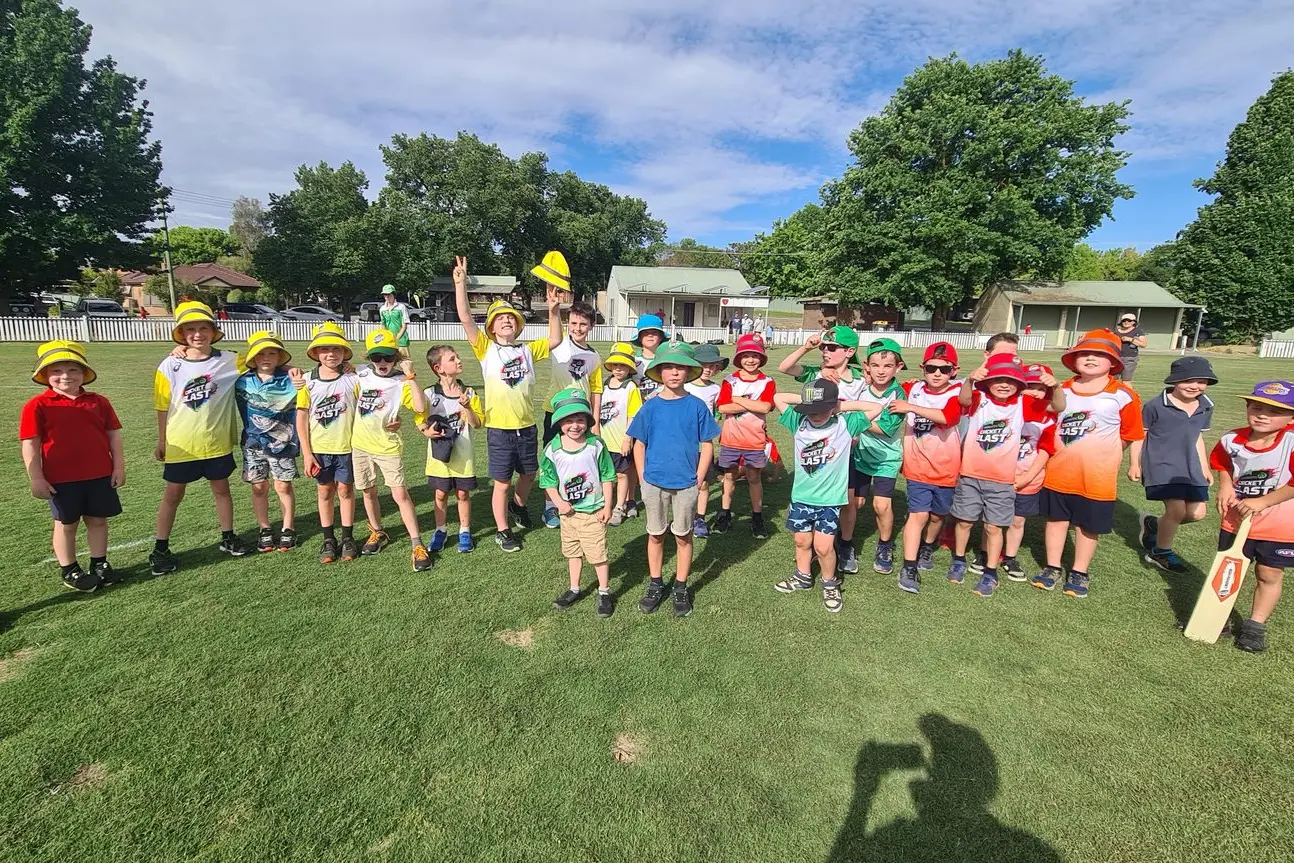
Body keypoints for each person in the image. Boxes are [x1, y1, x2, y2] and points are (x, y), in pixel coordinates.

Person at [453, 255, 554, 553]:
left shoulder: (528, 350)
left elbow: (556, 339)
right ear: (492, 327)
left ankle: (518, 506)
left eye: (511, 317)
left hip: (526, 426)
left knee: (529, 475)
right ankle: (502, 531)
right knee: (501, 482)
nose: (507, 320)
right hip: (499, 428)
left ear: (519, 325)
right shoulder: (487, 349)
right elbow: (465, 319)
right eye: (500, 318)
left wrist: (553, 309)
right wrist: (461, 284)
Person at [1035, 330, 1145, 597]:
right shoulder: (1062, 390)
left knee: (1088, 526)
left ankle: (1080, 571)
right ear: (1073, 360)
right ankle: (1052, 566)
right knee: (1056, 520)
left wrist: (1117, 457)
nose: (1091, 358)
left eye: (1099, 354)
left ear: (1114, 363)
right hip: (1059, 470)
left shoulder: (1122, 395)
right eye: (1084, 353)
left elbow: (1132, 434)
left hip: (1097, 476)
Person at [149, 301, 251, 575]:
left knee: (222, 490)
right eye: (190, 329)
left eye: (203, 328)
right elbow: (162, 405)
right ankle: (160, 548)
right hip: (181, 443)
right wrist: (162, 440)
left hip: (216, 442)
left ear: (213, 330)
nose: (197, 334)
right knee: (173, 494)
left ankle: (228, 536)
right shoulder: (170, 364)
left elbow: (267, 359)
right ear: (181, 334)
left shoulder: (230, 359)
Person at [949, 355, 1063, 597]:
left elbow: (1058, 407)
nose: (1004, 384)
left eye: (1010, 380)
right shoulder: (980, 399)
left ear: (1019, 384)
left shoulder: (1022, 404)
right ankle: (959, 559)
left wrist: (1056, 387)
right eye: (998, 379)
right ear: (988, 381)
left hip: (1001, 480)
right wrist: (970, 379)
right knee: (964, 521)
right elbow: (963, 399)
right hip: (970, 474)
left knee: (993, 527)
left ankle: (991, 572)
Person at [771, 379, 884, 612]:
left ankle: (829, 582)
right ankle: (802, 576)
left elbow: (876, 408)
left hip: (830, 501)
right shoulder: (798, 421)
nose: (815, 415)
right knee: (801, 541)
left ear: (833, 407)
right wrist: (807, 402)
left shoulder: (846, 424)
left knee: (823, 547)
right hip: (802, 497)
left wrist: (838, 406)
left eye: (821, 410)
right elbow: (778, 398)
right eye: (811, 410)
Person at [20, 341, 125, 592]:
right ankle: (69, 570)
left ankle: (100, 563)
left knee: (98, 520)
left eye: (72, 370)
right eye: (56, 371)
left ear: (83, 373)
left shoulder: (98, 402)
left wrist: (118, 467)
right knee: (66, 524)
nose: (65, 376)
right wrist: (36, 478)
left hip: (99, 474)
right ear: (45, 375)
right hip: (60, 479)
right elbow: (30, 444)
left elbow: (113, 436)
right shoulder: (37, 405)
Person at [626, 343, 721, 618]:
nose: (675, 372)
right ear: (659, 371)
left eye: (680, 367)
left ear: (689, 370)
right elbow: (638, 444)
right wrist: (643, 478)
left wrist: (699, 478)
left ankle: (680, 585)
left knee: (683, 535)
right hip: (654, 482)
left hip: (686, 484)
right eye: (668, 367)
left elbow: (707, 445)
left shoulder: (697, 406)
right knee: (655, 534)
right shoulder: (650, 407)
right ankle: (656, 582)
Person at [779, 326, 872, 572]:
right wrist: (806, 348)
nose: (826, 352)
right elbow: (785, 368)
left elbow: (870, 408)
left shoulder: (859, 379)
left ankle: (845, 544)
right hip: (818, 446)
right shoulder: (813, 374)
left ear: (849, 351)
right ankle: (813, 549)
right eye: (824, 347)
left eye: (832, 347)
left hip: (846, 449)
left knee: (849, 501)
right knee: (820, 496)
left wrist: (836, 407)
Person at [1210, 381, 1294, 652]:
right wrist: (1224, 485)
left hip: (1279, 525)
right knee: (1229, 569)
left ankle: (1255, 626)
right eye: (1257, 407)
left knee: (1268, 573)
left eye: (1274, 411)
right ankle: (1217, 616)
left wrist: (1263, 502)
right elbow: (1222, 462)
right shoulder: (1232, 439)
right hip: (1236, 521)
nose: (1262, 414)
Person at [351, 328, 431, 570]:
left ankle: (417, 544)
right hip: (360, 445)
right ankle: (377, 531)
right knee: (368, 491)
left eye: (388, 357)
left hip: (387, 447)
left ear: (396, 357)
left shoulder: (401, 382)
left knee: (399, 494)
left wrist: (411, 376)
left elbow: (419, 406)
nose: (382, 362)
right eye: (377, 357)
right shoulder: (360, 374)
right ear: (369, 359)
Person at [888, 342, 964, 594]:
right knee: (918, 515)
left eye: (944, 369)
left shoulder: (957, 392)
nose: (937, 373)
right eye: (931, 368)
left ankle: (928, 546)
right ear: (923, 368)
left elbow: (948, 418)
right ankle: (909, 567)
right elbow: (882, 382)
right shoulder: (912, 388)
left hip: (946, 468)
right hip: (916, 467)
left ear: (954, 370)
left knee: (937, 516)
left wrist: (910, 407)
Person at [1135, 356, 1218, 573]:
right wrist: (1136, 464)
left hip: (1190, 466)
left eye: (1201, 381)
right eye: (1187, 380)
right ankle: (1160, 552)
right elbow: (1140, 435)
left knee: (1197, 513)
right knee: (1176, 510)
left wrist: (1204, 466)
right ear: (1174, 380)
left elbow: (1197, 436)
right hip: (1161, 464)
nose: (1194, 386)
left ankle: (1153, 525)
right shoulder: (1155, 405)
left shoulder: (1206, 406)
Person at [541, 388, 617, 618]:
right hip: (568, 514)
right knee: (572, 552)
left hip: (593, 511)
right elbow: (548, 481)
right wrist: (558, 503)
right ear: (559, 423)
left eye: (580, 420)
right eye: (569, 420)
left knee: (597, 555)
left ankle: (604, 591)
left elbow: (607, 476)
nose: (575, 426)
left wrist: (607, 506)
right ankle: (574, 588)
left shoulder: (596, 445)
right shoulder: (553, 449)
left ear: (588, 421)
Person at [297, 322, 361, 564]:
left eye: (336, 349)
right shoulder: (306, 381)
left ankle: (347, 537)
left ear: (344, 352)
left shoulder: (353, 379)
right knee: (324, 491)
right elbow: (301, 419)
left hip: (348, 446)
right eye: (324, 349)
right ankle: (328, 538)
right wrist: (307, 452)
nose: (330, 354)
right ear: (315, 353)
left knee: (345, 490)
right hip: (320, 449)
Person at [235, 332, 303, 553]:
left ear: (280, 356)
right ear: (252, 357)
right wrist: (181, 351)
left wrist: (290, 368)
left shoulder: (292, 380)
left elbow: (326, 373)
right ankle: (264, 529)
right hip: (253, 443)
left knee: (283, 485)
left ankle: (287, 528)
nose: (266, 357)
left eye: (272, 353)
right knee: (259, 487)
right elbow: (209, 363)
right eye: (261, 353)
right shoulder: (241, 379)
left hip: (282, 443)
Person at [542, 287, 603, 529]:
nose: (578, 328)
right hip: (555, 412)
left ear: (591, 326)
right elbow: (554, 326)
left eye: (583, 324)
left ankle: (582, 499)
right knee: (553, 459)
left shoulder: (595, 356)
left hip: (581, 416)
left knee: (580, 459)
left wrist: (595, 421)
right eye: (574, 323)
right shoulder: (558, 344)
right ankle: (550, 506)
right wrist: (553, 309)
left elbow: (596, 390)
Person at [416, 345, 484, 554]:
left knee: (463, 494)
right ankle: (440, 530)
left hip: (463, 455)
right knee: (441, 494)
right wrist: (425, 431)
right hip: (439, 457)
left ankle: (465, 531)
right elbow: (420, 419)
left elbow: (477, 424)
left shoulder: (469, 392)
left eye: (457, 357)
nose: (459, 361)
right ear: (439, 368)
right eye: (453, 359)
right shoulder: (429, 393)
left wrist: (468, 407)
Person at [1000, 363, 1060, 583]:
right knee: (993, 519)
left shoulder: (1048, 418)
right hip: (1000, 474)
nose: (1034, 392)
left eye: (1040, 388)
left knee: (1017, 520)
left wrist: (1026, 478)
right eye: (1029, 385)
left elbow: (1045, 451)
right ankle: (986, 553)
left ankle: (1010, 556)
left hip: (1028, 477)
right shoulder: (1008, 410)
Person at [714, 334, 776, 538]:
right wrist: (751, 404)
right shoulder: (730, 380)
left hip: (754, 440)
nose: (750, 360)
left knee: (753, 477)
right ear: (739, 357)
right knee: (730, 475)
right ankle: (724, 513)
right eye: (746, 355)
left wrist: (737, 399)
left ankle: (757, 517)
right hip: (731, 439)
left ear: (762, 357)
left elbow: (765, 406)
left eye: (755, 355)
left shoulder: (767, 381)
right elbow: (723, 407)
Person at [685, 344, 727, 536]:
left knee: (703, 483)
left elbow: (717, 412)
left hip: (703, 443)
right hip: (682, 443)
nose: (709, 369)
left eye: (713, 365)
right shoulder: (685, 385)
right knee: (682, 482)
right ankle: (683, 516)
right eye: (704, 364)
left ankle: (699, 518)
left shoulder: (715, 389)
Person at [600, 343, 644, 526]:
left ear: (630, 368)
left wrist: (627, 438)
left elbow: (634, 414)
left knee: (622, 474)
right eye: (615, 365)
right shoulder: (604, 384)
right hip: (603, 440)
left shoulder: (631, 387)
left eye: (623, 365)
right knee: (605, 475)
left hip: (620, 440)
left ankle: (620, 506)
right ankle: (605, 504)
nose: (619, 369)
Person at [632, 314, 667, 401]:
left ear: (661, 337)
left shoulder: (666, 360)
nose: (650, 335)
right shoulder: (634, 361)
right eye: (645, 332)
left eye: (654, 332)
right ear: (639, 337)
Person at [378, 284, 413, 360]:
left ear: (394, 294)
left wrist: (397, 338)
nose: (386, 297)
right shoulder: (382, 309)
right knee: (389, 362)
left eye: (388, 294)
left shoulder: (401, 307)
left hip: (402, 341)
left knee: (405, 362)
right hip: (389, 340)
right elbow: (383, 325)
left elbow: (404, 325)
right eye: (385, 295)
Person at [1113, 314, 1147, 382]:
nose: (1126, 322)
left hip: (1129, 359)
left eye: (1129, 320)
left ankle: (1128, 393)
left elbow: (1144, 344)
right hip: (1116, 358)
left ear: (1133, 322)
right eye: (1124, 320)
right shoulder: (1116, 331)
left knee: (1126, 381)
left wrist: (1130, 339)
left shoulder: (1137, 331)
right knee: (1113, 380)